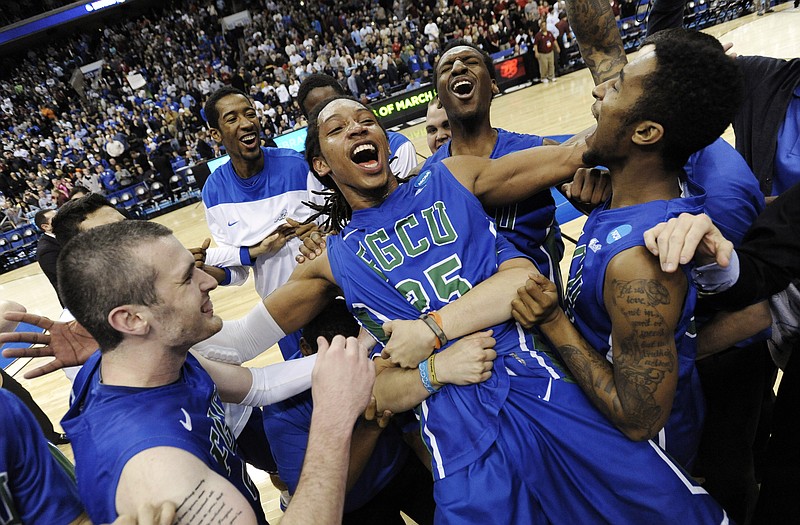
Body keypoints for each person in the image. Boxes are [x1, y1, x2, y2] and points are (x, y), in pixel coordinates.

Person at [510, 29, 741, 469]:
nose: (598, 94)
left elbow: (639, 419)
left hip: (648, 469)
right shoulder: (630, 197)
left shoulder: (641, 262)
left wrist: (552, 320)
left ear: (647, 132)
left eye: (615, 87)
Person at [643, 182, 800, 524]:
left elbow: (759, 313)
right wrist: (716, 258)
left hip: (737, 363)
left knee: (733, 465)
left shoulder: (723, 182)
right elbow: (766, 271)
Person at [263, 299, 442, 525]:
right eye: (334, 356)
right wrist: (369, 430)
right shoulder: (281, 409)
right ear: (304, 348)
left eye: (355, 355)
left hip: (402, 466)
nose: (347, 369)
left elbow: (413, 431)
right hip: (352, 506)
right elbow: (315, 498)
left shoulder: (378, 353)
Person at [423, 39, 567, 295]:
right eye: (447, 67)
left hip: (544, 316)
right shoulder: (425, 179)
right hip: (478, 325)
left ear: (493, 85)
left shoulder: (538, 149)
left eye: (470, 62)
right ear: (439, 100)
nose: (458, 67)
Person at [296, 74, 419, 181]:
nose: (329, 112)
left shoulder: (397, 145)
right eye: (318, 112)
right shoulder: (312, 170)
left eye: (332, 103)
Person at [34, 208, 61, 302]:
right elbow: (65, 275)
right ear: (45, 226)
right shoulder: (46, 250)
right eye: (57, 217)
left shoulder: (68, 235)